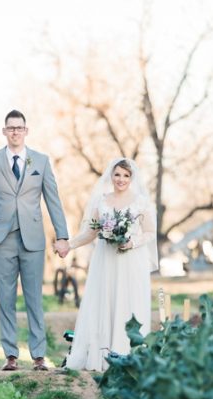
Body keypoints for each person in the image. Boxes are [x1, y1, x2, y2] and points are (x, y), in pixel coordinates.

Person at [0, 110, 69, 372]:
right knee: (5, 299)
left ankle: (39, 356)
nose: (15, 132)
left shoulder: (41, 161)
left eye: (19, 127)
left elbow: (53, 200)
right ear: (4, 132)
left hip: (33, 240)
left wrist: (62, 236)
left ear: (26, 131)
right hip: (1, 239)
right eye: (10, 128)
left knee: (34, 298)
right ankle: (11, 355)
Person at [64, 158, 159, 372]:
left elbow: (150, 233)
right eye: (117, 174)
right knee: (105, 301)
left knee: (128, 303)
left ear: (132, 178)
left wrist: (132, 242)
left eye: (126, 175)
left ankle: (127, 354)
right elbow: (90, 232)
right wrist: (69, 246)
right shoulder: (102, 201)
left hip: (131, 262)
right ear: (111, 176)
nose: (121, 179)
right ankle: (102, 355)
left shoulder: (141, 202)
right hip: (105, 261)